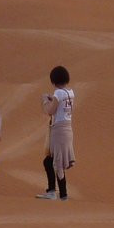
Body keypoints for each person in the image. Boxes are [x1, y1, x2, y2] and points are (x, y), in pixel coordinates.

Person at [37, 64, 74, 201]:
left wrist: (45, 100)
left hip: (58, 131)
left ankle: (61, 194)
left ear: (53, 81)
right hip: (67, 129)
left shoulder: (58, 93)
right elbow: (62, 108)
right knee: (50, 161)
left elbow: (50, 111)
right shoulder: (70, 92)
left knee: (56, 163)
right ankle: (53, 190)